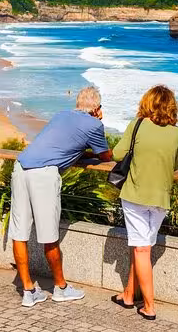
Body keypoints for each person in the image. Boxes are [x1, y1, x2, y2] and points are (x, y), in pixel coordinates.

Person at [9, 86, 113, 307]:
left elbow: (62, 142)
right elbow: (105, 155)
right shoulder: (95, 124)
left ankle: (28, 289)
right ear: (97, 109)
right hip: (44, 174)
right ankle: (61, 288)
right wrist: (98, 123)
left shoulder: (61, 114)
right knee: (49, 235)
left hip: (21, 166)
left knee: (19, 231)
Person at [111, 85, 178, 321]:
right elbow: (177, 162)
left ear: (147, 103)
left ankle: (149, 306)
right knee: (142, 246)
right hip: (161, 197)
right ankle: (129, 295)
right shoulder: (175, 132)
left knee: (141, 248)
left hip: (136, 195)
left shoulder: (138, 124)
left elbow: (118, 154)